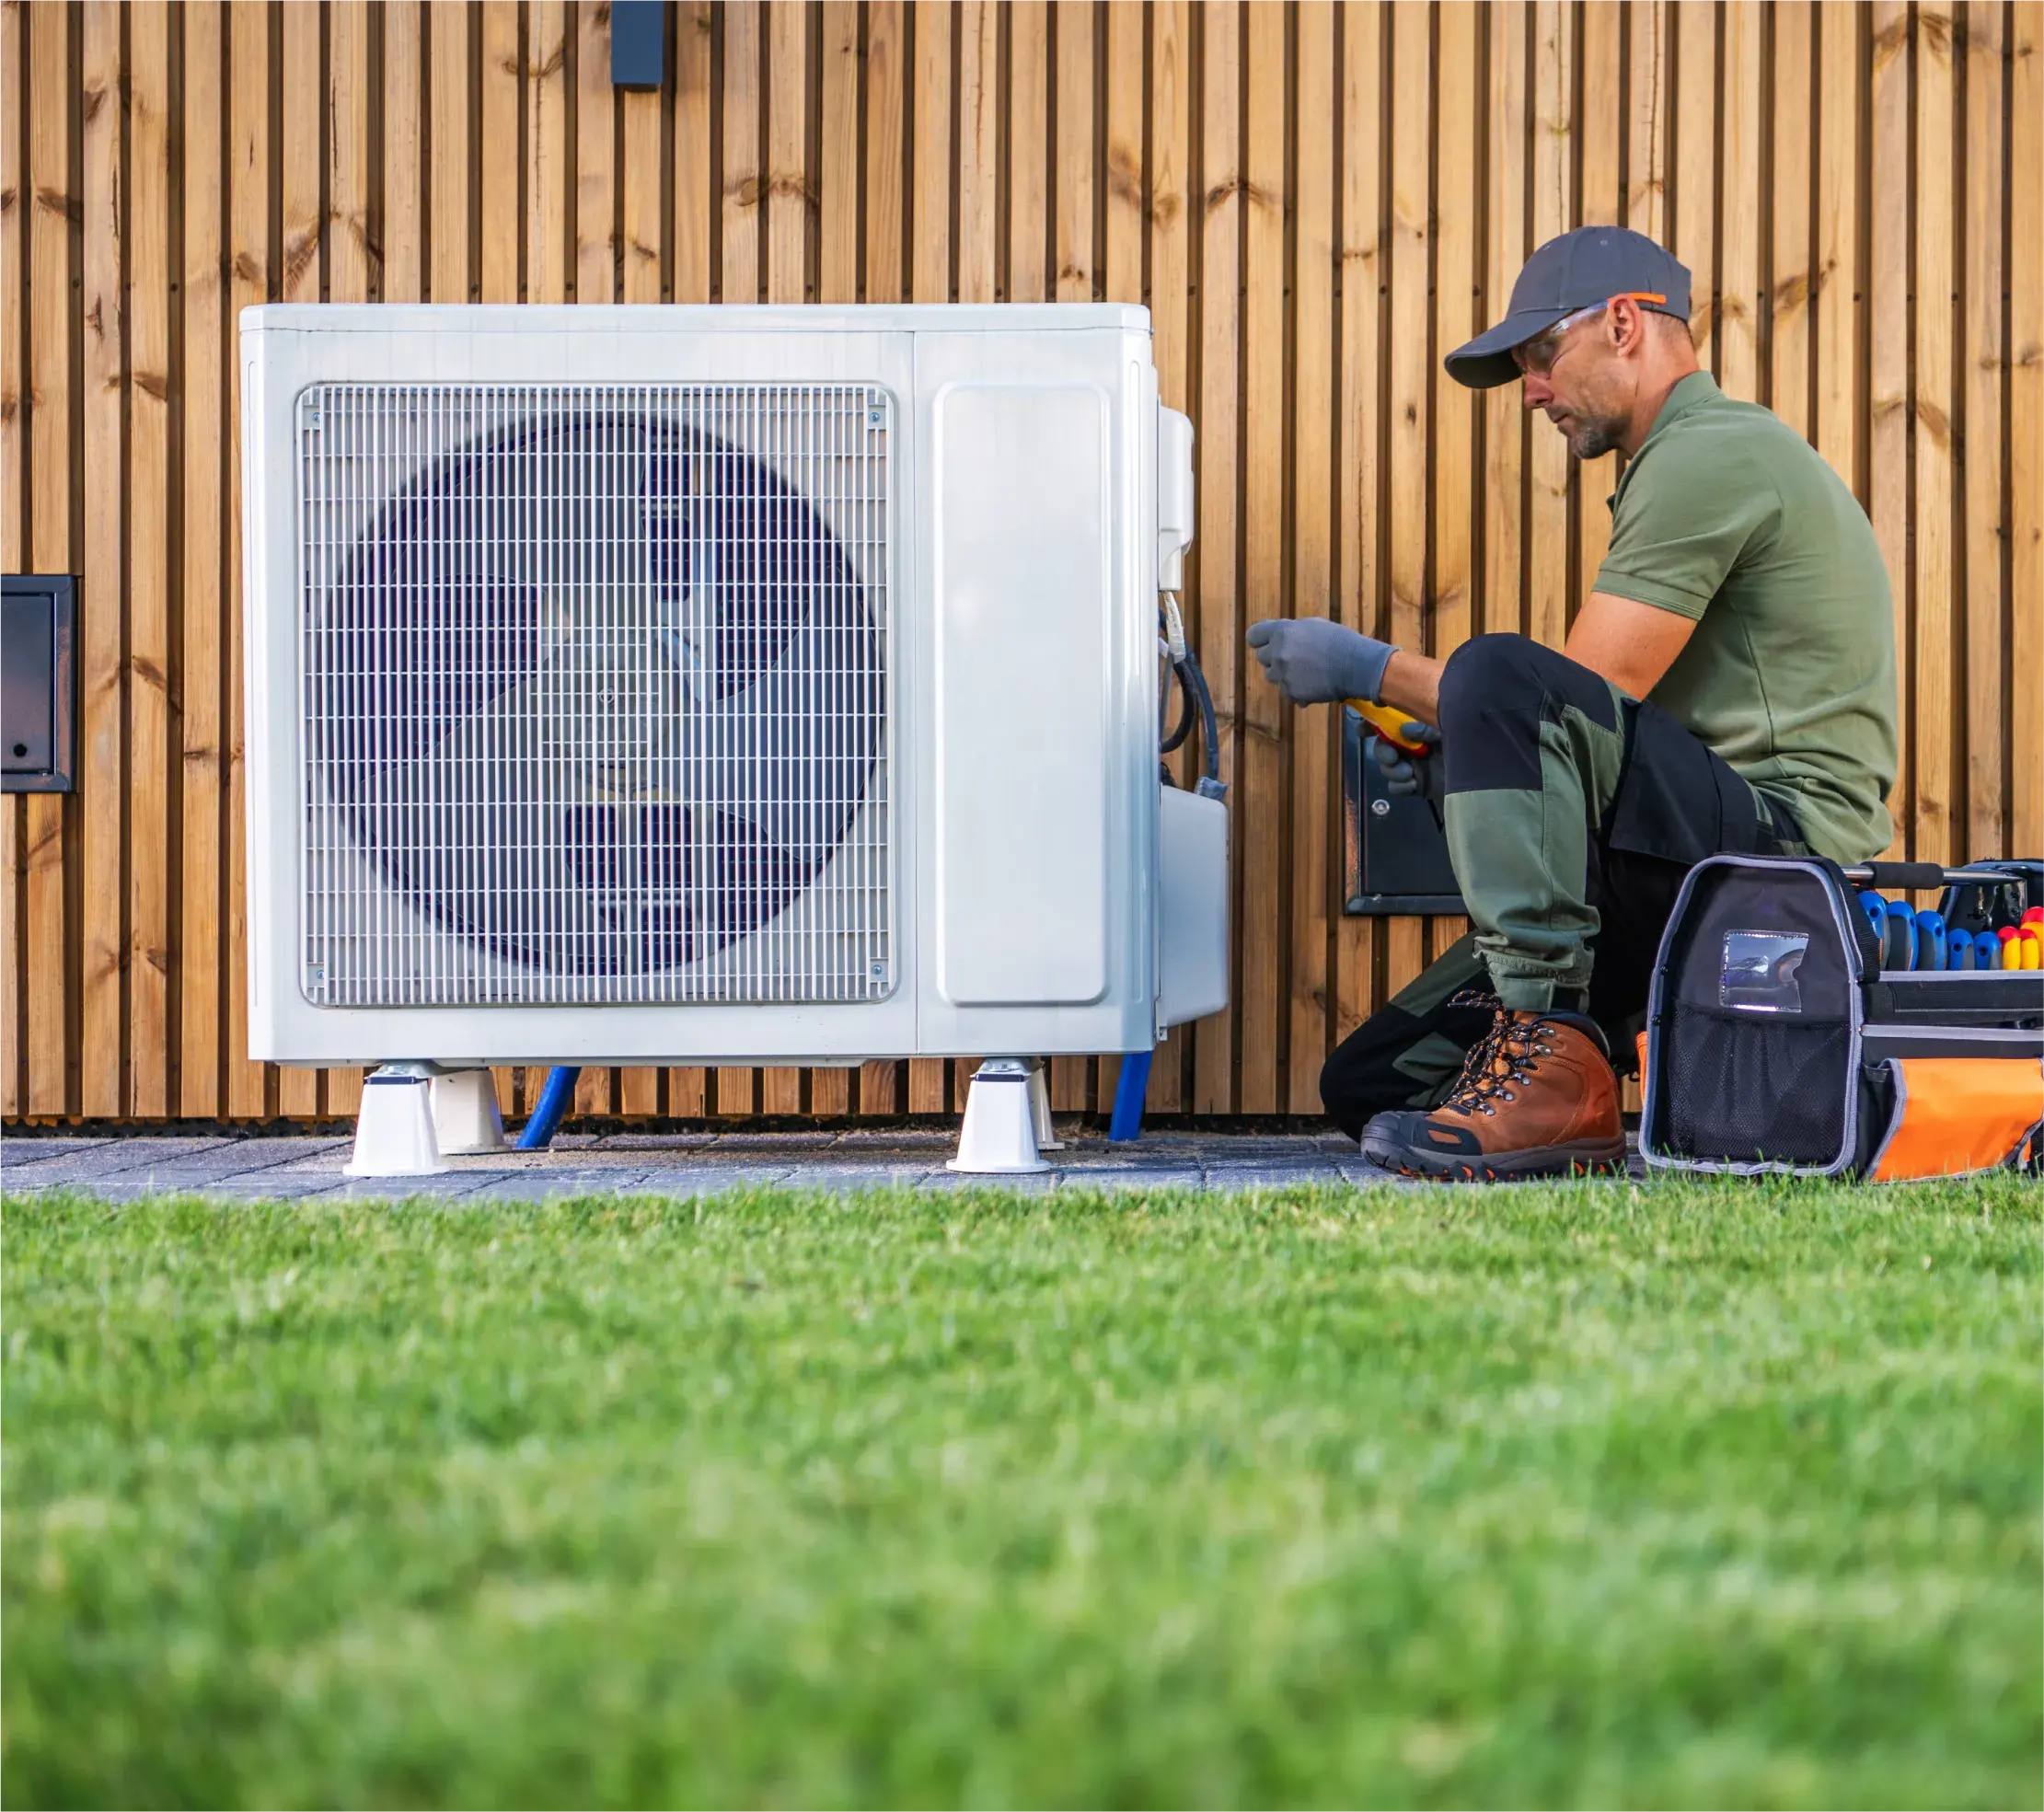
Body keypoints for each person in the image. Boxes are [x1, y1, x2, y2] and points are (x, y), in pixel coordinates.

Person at [1247, 225, 1897, 1180]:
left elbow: (1577, 694)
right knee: (1373, 1082)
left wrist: (1368, 667)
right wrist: (1448, 753)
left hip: (1778, 859)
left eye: (1543, 356)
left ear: (1626, 323)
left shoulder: (1710, 454)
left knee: (1500, 672)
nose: (1534, 391)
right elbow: (1595, 741)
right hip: (1681, 856)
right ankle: (1553, 1070)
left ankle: (1552, 1052)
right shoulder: (1678, 462)